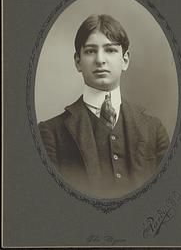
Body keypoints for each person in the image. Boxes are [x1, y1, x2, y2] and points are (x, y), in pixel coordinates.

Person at [38, 14, 170, 198]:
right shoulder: (50, 134)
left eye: (110, 50)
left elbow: (168, 195)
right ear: (78, 61)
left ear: (125, 60)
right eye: (91, 51)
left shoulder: (154, 130)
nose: (100, 59)